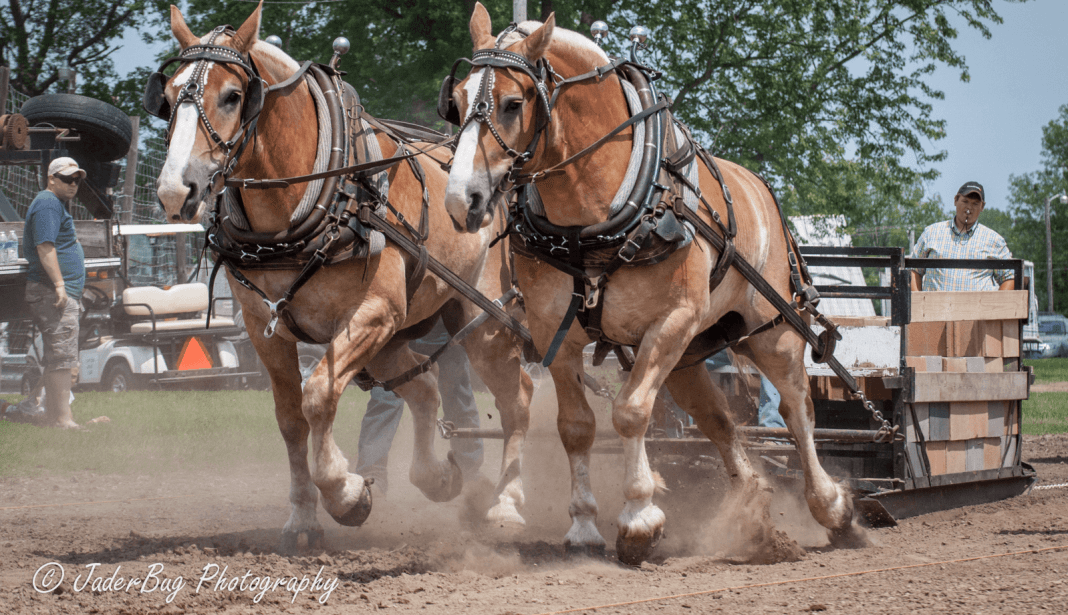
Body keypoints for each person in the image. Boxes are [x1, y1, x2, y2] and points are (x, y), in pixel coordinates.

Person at [355, 318, 483, 495]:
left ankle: (469, 473)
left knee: (457, 396)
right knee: (385, 399)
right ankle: (371, 474)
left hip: (444, 330)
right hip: (402, 332)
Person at [23, 157, 86, 429]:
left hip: (55, 291)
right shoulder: (48, 203)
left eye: (77, 180)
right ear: (51, 179)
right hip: (53, 291)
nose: (73, 184)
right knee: (62, 358)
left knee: (59, 356)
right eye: (66, 179)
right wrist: (60, 285)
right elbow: (45, 247)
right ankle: (62, 419)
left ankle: (52, 415)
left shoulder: (53, 204)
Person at [910, 181, 1015, 292]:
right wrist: (918, 305)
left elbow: (1009, 277)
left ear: (982, 206)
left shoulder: (994, 240)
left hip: (978, 309)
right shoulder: (931, 233)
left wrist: (995, 308)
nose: (969, 208)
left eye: (975, 203)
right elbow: (914, 270)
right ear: (956, 200)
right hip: (934, 309)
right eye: (965, 201)